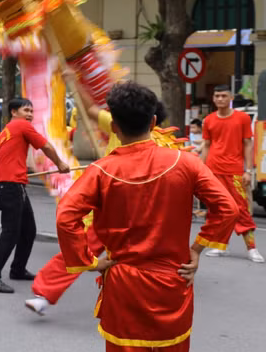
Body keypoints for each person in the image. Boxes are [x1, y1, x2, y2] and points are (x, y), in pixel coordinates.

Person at [55, 82, 239, 352]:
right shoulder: (185, 164)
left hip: (125, 285)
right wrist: (197, 249)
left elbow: (67, 217)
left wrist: (89, 262)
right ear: (154, 122)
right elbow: (227, 207)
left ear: (116, 126)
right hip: (174, 282)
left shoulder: (101, 170)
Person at [26, 83, 172, 315]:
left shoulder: (166, 147)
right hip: (120, 213)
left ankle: (139, 305)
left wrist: (74, 82)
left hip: (138, 216)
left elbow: (90, 109)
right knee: (80, 248)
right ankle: (45, 292)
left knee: (141, 262)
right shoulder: (172, 148)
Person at [0, 98, 69, 293]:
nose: (30, 114)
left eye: (31, 111)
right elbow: (45, 146)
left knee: (28, 231)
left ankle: (18, 269)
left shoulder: (4, 133)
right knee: (10, 234)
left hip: (12, 188)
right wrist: (60, 164)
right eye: (26, 110)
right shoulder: (21, 126)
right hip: (11, 188)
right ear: (13, 112)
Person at [200, 85, 265, 263]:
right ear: (213, 98)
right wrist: (202, 169)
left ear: (231, 98)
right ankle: (220, 245)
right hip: (213, 170)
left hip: (235, 171)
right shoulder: (209, 120)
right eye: (217, 95)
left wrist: (248, 170)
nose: (220, 99)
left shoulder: (242, 118)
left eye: (223, 96)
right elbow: (206, 145)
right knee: (217, 209)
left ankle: (252, 248)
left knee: (241, 209)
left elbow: (248, 144)